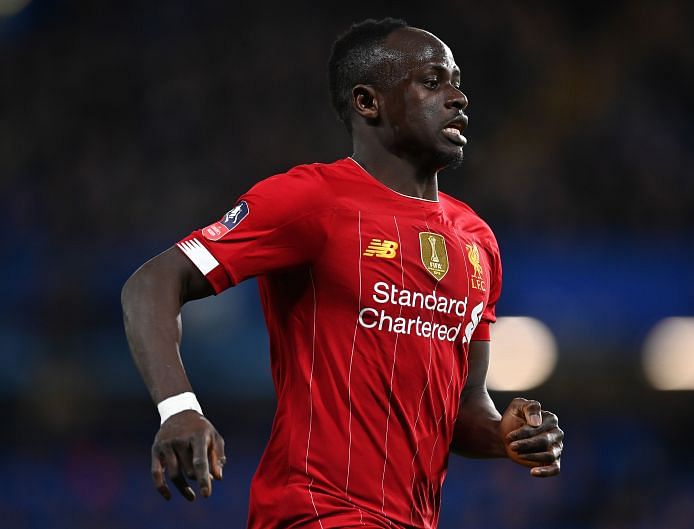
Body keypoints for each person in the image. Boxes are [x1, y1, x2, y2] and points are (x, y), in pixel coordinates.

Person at [121, 17, 564, 529]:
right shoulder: (311, 200)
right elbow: (151, 283)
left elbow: (464, 407)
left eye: (457, 81)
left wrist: (507, 437)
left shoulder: (477, 241)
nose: (459, 97)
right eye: (432, 81)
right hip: (316, 511)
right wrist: (178, 408)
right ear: (368, 102)